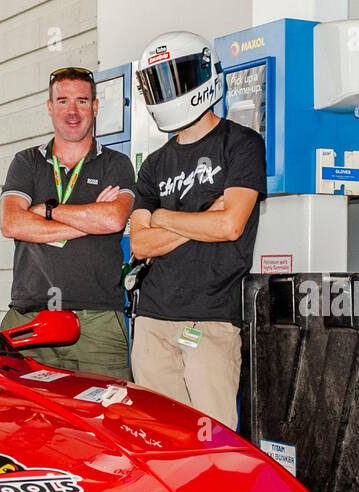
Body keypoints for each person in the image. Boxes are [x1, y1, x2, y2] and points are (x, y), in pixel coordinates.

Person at [128, 31, 267, 429]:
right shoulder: (153, 164)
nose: (169, 91)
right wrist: (204, 214)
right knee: (160, 437)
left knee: (212, 441)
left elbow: (229, 225)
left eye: (178, 77)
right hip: (152, 320)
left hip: (210, 321)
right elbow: (139, 243)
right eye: (159, 82)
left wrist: (165, 217)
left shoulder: (241, 144)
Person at [0, 66, 136, 379]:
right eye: (62, 101)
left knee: (105, 418)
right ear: (50, 108)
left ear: (95, 107)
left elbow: (114, 218)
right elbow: (12, 224)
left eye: (82, 101)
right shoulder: (27, 162)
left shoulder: (116, 164)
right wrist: (88, 220)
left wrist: (45, 210)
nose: (72, 111)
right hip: (29, 317)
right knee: (25, 418)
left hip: (97, 322)